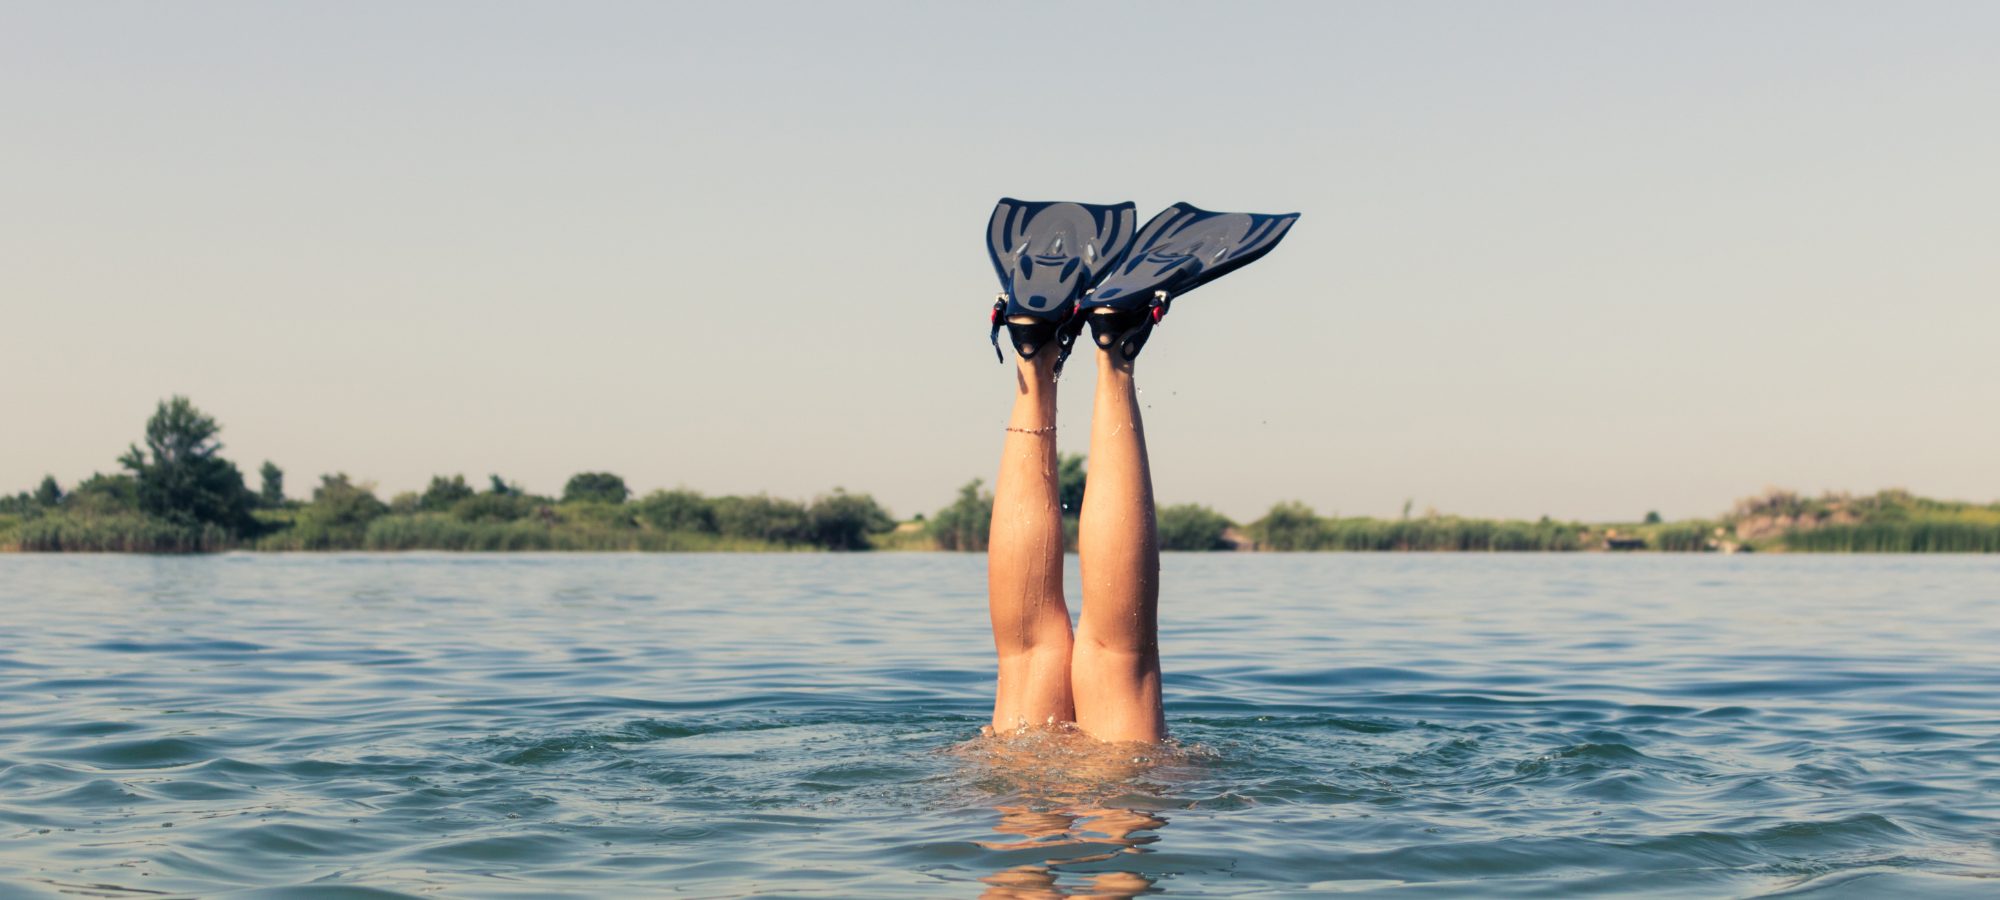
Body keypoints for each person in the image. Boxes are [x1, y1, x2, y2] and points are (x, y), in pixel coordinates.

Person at [981, 199, 1298, 744]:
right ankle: (1113, 344)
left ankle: (1033, 349)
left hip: (1008, 772)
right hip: (1121, 777)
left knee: (1030, 653)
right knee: (1115, 656)